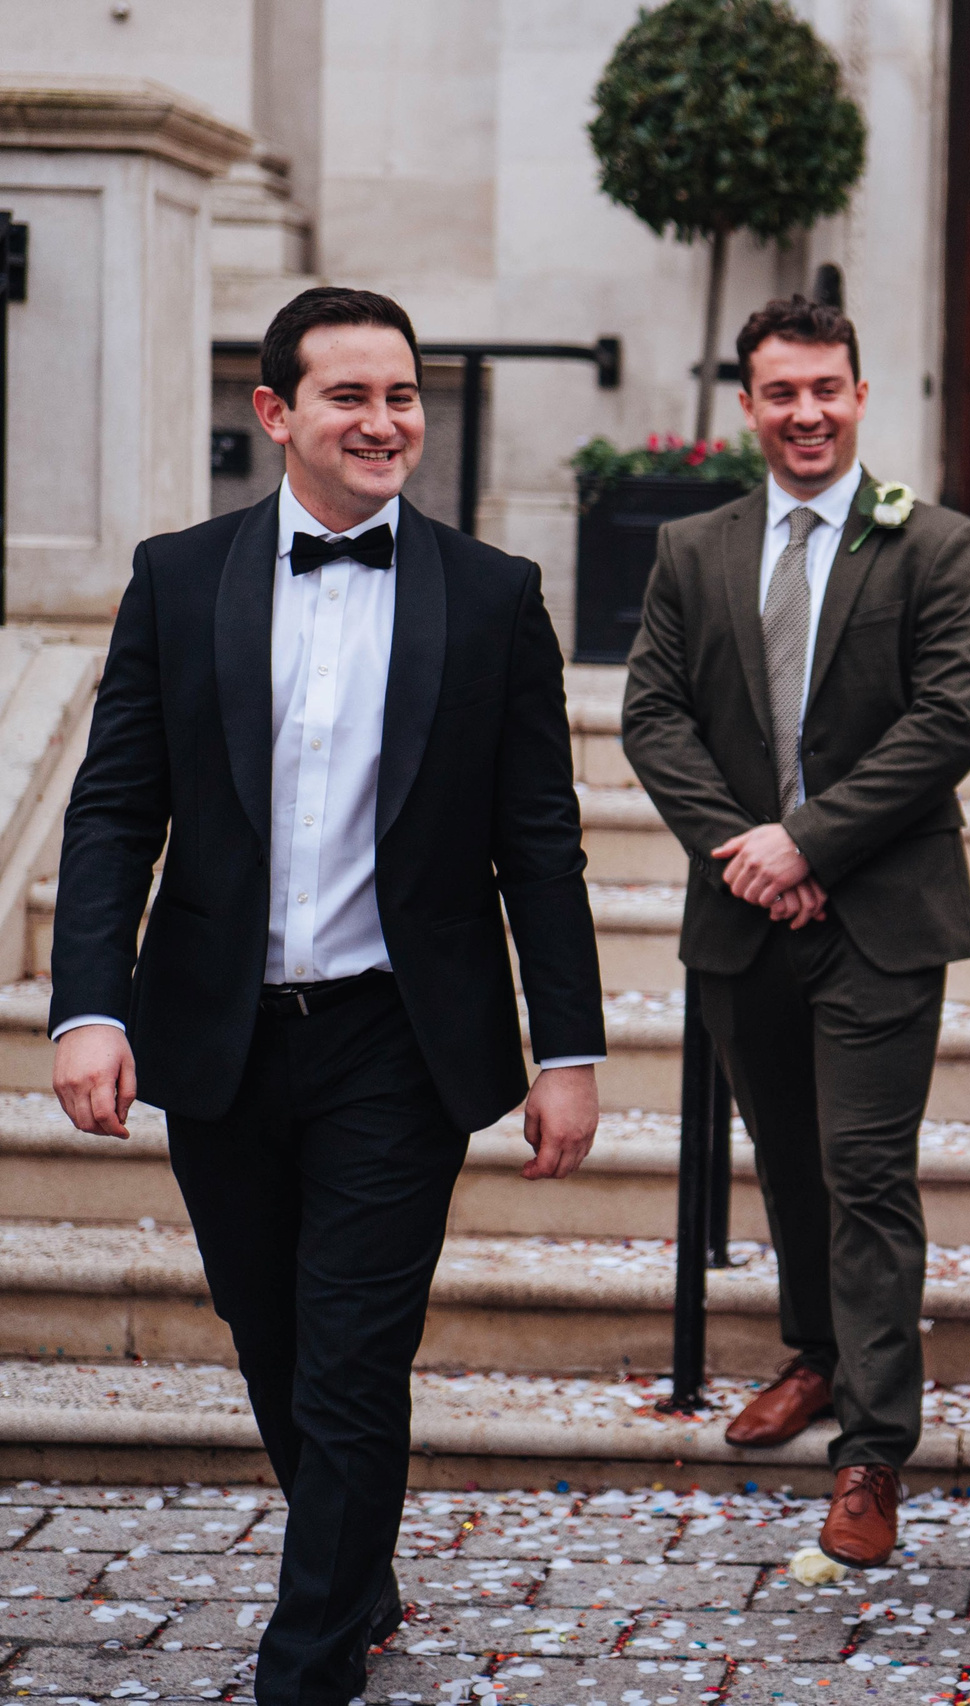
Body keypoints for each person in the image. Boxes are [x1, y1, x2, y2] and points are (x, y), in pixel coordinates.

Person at [47, 285, 606, 1706]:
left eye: (403, 394)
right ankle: (356, 1565)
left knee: (355, 1356)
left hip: (396, 1039)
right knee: (274, 1333)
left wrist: (572, 1046)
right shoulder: (180, 578)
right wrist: (88, 1004)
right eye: (351, 395)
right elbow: (115, 810)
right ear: (278, 413)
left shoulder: (493, 597)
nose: (385, 420)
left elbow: (537, 841)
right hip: (221, 1033)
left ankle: (305, 1664)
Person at [621, 294, 970, 1567]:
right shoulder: (693, 549)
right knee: (785, 1158)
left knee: (867, 1174)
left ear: (861, 393)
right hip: (743, 913)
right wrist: (747, 851)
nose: (806, 413)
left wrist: (811, 841)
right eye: (781, 392)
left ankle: (873, 1454)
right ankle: (818, 1355)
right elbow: (653, 717)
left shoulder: (937, 544)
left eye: (827, 388)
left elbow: (947, 720)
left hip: (881, 915)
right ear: (747, 405)